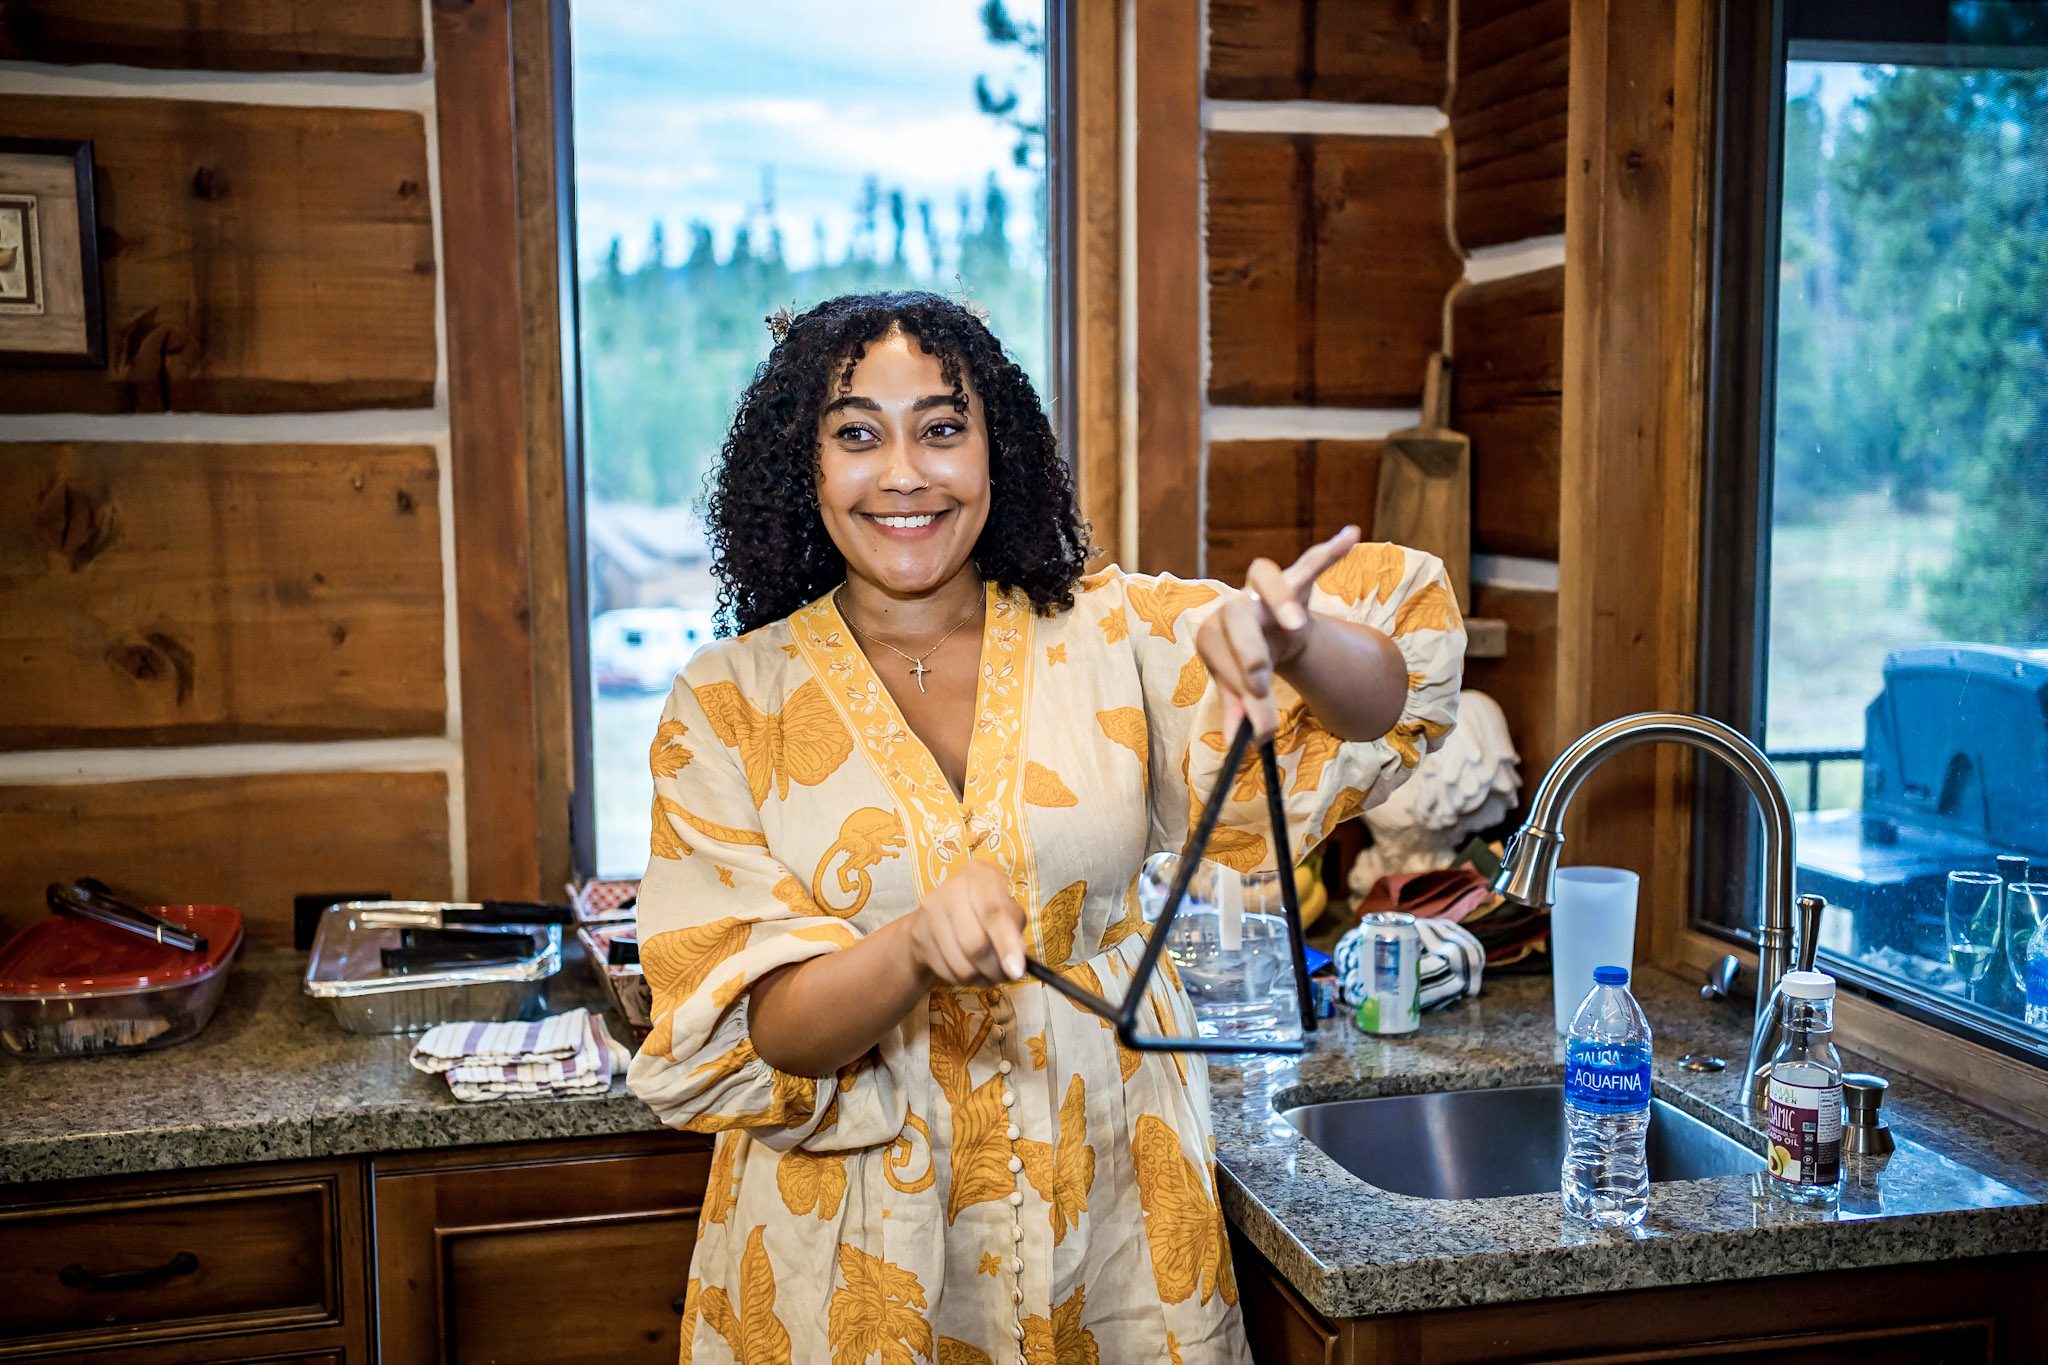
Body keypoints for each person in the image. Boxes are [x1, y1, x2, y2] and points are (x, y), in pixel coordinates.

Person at [627, 291, 1465, 1365]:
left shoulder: (1108, 632)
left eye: (940, 428)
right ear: (803, 466)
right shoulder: (729, 702)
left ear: (995, 450)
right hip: (853, 1244)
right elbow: (763, 1031)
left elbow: (1382, 700)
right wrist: (910, 948)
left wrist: (1298, 644)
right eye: (854, 435)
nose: (902, 473)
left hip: (1111, 1208)